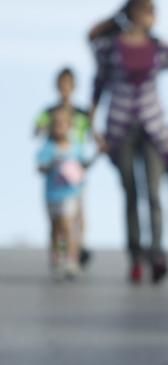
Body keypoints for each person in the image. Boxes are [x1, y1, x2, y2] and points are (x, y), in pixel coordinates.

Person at [89, 0, 168, 284]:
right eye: (149, 11)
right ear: (135, 13)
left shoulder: (159, 48)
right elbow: (98, 84)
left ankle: (157, 253)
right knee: (131, 193)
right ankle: (135, 255)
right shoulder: (110, 48)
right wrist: (93, 126)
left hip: (153, 129)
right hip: (120, 128)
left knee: (155, 192)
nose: (154, 17)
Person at [34, 67, 95, 269]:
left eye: (68, 85)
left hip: (75, 168)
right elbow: (37, 129)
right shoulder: (49, 112)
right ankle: (63, 252)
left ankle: (76, 249)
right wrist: (44, 129)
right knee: (59, 221)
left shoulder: (81, 113)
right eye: (62, 85)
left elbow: (93, 134)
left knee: (78, 213)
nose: (65, 89)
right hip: (56, 173)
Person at [36, 108, 98, 281]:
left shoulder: (75, 147)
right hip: (52, 195)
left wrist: (98, 154)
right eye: (56, 124)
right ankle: (56, 255)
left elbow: (84, 165)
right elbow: (40, 167)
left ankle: (72, 260)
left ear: (69, 126)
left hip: (71, 193)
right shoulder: (48, 148)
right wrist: (49, 166)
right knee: (56, 227)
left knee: (68, 225)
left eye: (63, 124)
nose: (59, 127)